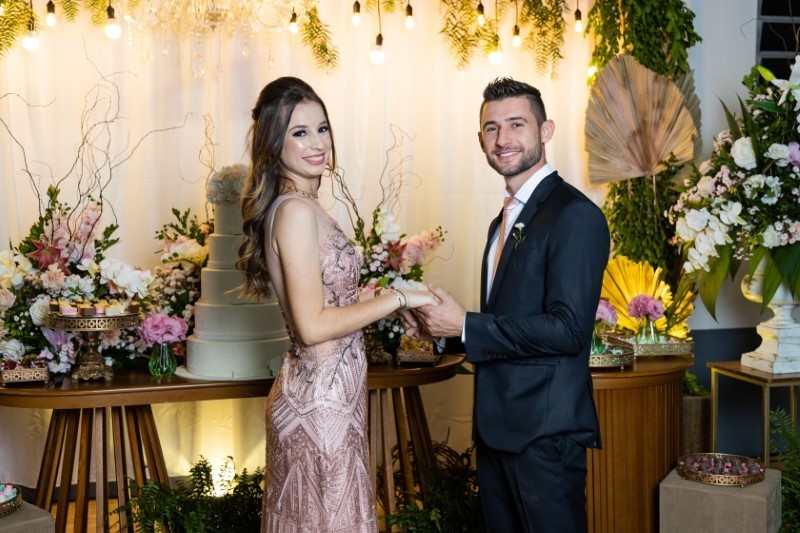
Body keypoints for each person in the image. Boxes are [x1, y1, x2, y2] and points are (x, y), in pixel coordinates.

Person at [406, 77, 610, 532]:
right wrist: (440, 329)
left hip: (544, 435)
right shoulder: (502, 220)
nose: (503, 139)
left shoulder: (574, 214)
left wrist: (466, 324)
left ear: (545, 130)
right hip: (496, 432)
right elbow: (506, 323)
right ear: (480, 140)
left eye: (517, 124)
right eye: (492, 128)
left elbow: (569, 330)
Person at [237, 77, 438, 533]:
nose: (317, 143)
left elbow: (330, 300)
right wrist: (398, 296)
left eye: (322, 128)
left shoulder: (304, 206)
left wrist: (392, 304)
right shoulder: (294, 211)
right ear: (273, 142)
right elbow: (312, 325)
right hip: (319, 405)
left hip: (331, 398)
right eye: (300, 132)